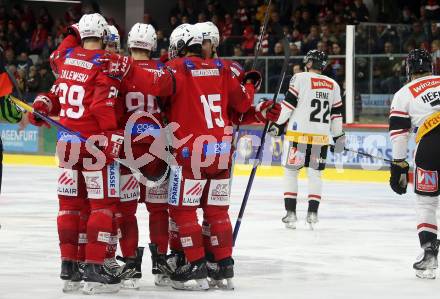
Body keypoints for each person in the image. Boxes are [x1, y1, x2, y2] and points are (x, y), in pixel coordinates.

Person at [27, 13, 125, 294]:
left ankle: (69, 267)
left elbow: (54, 95)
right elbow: (101, 107)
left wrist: (43, 106)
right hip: (93, 146)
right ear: (104, 37)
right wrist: (111, 136)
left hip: (66, 145)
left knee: (69, 207)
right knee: (101, 206)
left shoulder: (66, 59)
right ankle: (95, 268)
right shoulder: (104, 62)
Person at [193, 21, 281, 289]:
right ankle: (198, 259)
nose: (199, 47)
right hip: (196, 149)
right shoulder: (197, 67)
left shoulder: (228, 69)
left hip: (216, 151)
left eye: (204, 42)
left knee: (213, 213)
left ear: (214, 43)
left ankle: (216, 260)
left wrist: (260, 111)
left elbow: (240, 109)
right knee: (185, 212)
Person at [113, 22, 173, 288]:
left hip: (127, 147)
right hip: (156, 148)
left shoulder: (120, 69)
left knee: (126, 212)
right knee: (158, 210)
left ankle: (130, 267)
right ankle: (161, 267)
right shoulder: (163, 69)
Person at [269, 49, 345, 230]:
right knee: (315, 175)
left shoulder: (299, 78)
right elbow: (336, 115)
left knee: (291, 172)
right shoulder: (333, 84)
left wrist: (278, 124)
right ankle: (312, 214)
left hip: (298, 136)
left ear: (309, 62)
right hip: (320, 138)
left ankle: (291, 213)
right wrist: (338, 136)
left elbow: (288, 104)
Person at [388, 48, 440, 279]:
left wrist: (399, 165)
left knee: (426, 203)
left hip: (430, 148)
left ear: (409, 70)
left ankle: (429, 255)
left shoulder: (403, 93)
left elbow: (399, 134)